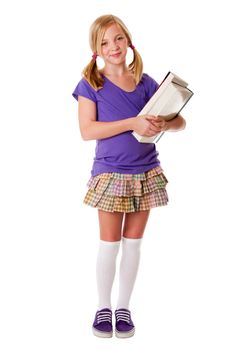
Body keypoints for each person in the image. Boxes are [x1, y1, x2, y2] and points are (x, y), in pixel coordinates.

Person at [72, 14, 186, 339]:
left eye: (118, 38)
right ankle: (102, 307)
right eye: (105, 42)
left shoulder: (146, 83)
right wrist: (132, 122)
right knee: (109, 245)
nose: (113, 47)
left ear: (128, 40)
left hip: (146, 172)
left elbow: (180, 122)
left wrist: (166, 123)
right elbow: (87, 130)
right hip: (110, 173)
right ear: (96, 49)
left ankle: (123, 307)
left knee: (133, 245)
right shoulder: (91, 85)